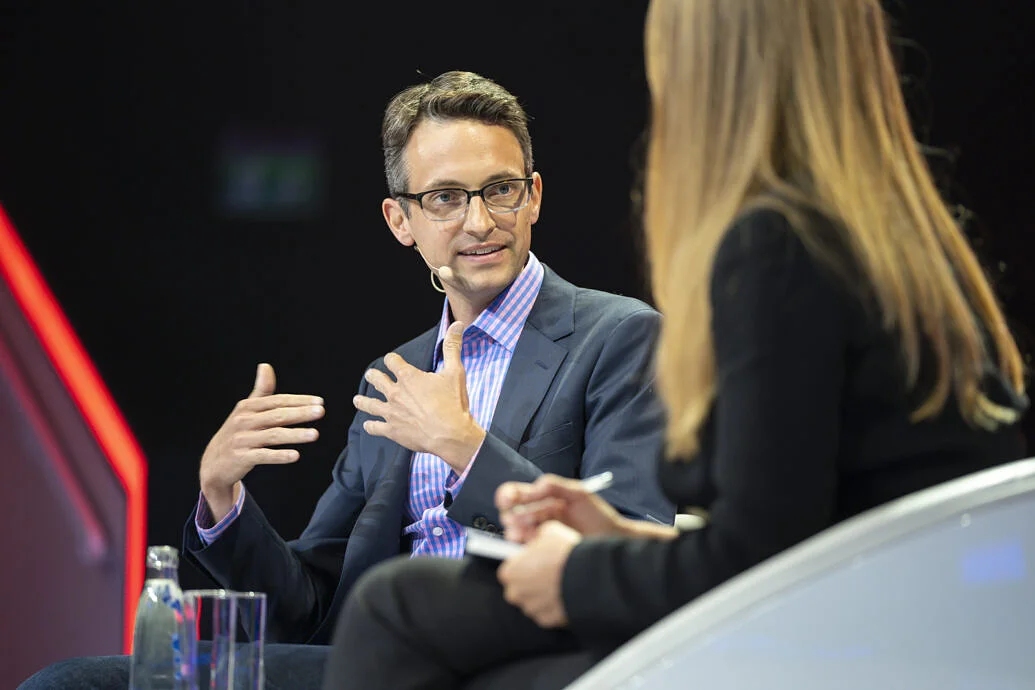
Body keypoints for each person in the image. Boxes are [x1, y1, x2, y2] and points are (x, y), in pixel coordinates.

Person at [320, 1, 1030, 688]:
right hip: (925, 627)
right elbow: (788, 533)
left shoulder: (774, 250)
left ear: (707, 66)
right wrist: (615, 540)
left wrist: (573, 572)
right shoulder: (896, 239)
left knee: (401, 606)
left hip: (862, 644)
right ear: (400, 218)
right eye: (445, 198)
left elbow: (757, 564)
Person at [18, 71, 673, 690]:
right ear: (400, 221)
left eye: (499, 190)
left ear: (532, 197)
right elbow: (308, 606)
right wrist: (221, 496)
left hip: (517, 663)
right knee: (75, 681)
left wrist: (465, 449)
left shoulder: (616, 338)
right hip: (374, 660)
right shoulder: (396, 375)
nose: (478, 222)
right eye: (445, 198)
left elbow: (636, 560)